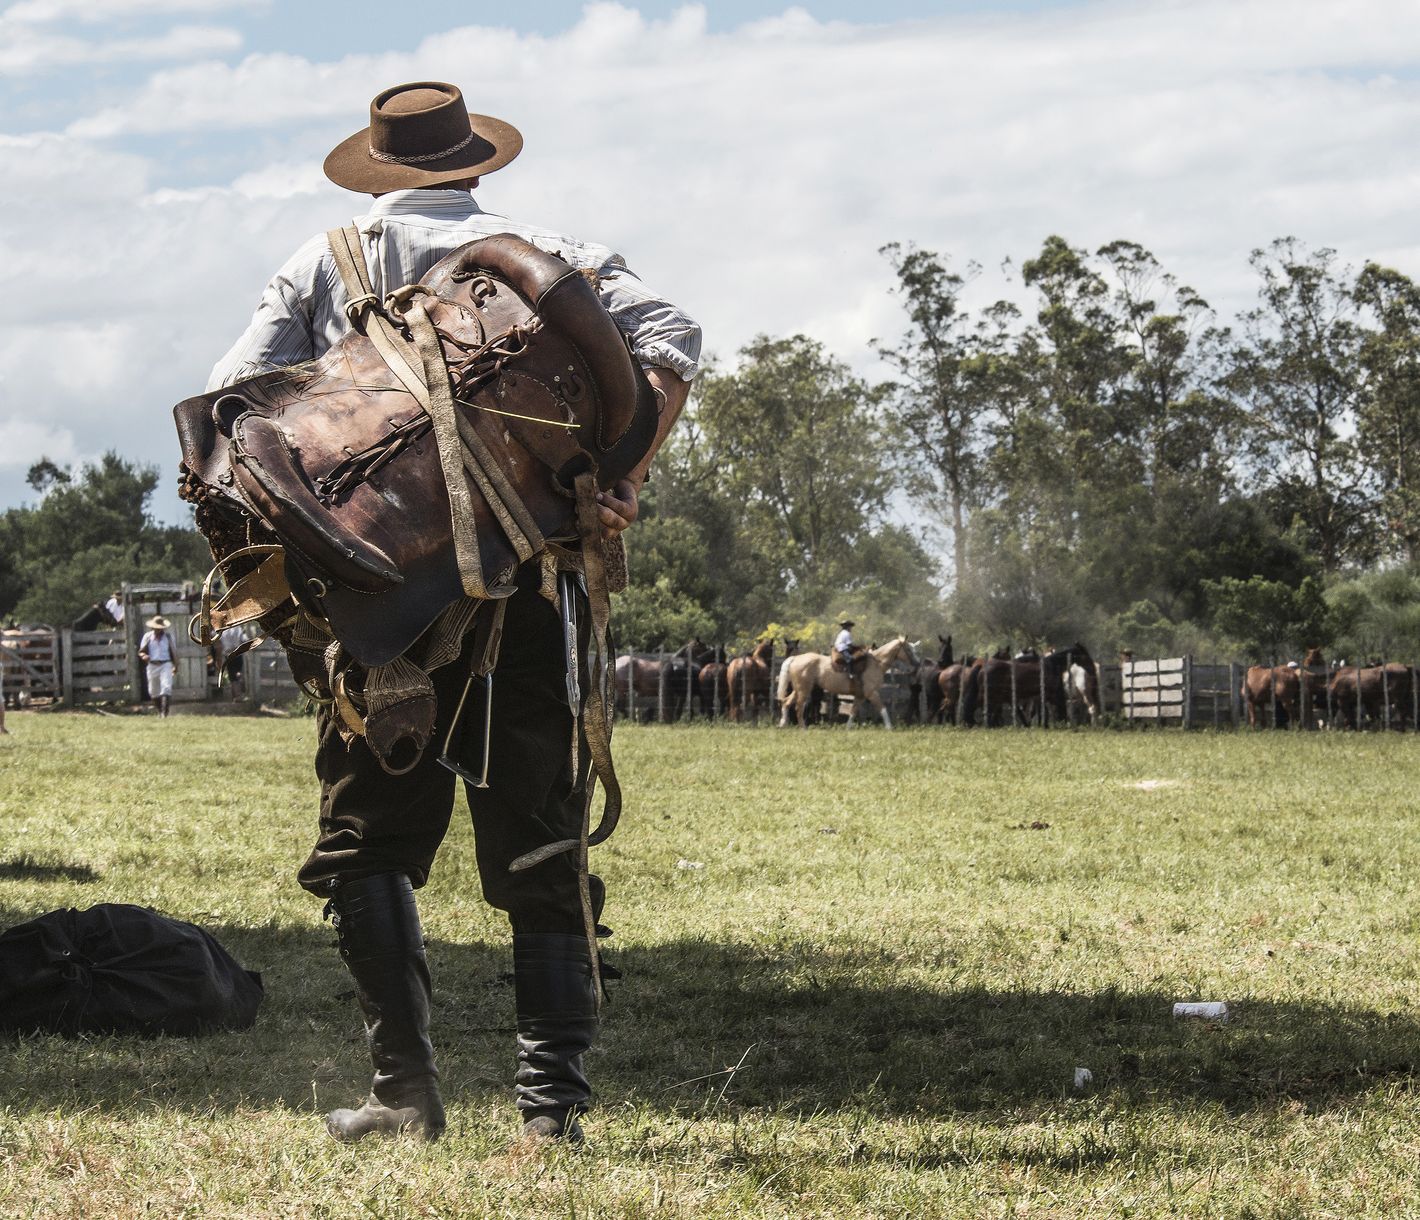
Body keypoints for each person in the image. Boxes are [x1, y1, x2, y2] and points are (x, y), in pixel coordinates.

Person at [207, 82, 700, 1147]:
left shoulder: (326, 259)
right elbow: (674, 333)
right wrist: (620, 477)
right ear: (476, 162)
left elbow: (234, 393)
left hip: (381, 600)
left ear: (381, 170)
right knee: (540, 831)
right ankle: (551, 1111)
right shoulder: (551, 248)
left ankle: (403, 1091)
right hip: (530, 582)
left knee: (367, 842)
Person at [138, 615, 177, 718]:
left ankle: (164, 713)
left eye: (160, 629)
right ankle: (160, 711)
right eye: (156, 628)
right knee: (153, 691)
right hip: (152, 664)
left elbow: (174, 652)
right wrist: (144, 656)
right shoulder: (147, 637)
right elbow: (141, 652)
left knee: (166, 687)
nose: (158, 630)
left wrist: (175, 665)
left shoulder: (168, 637)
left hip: (166, 664)